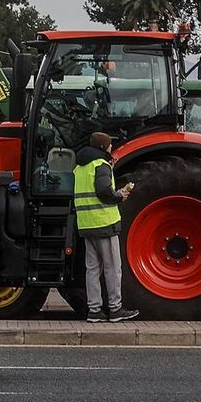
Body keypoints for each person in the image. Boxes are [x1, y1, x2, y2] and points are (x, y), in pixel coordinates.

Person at [74, 132, 139, 323]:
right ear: (103, 147)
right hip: (104, 223)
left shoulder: (80, 167)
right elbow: (103, 191)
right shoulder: (100, 165)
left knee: (92, 269)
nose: (111, 148)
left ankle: (94, 310)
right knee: (113, 268)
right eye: (110, 145)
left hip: (86, 224)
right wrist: (119, 195)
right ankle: (115, 308)